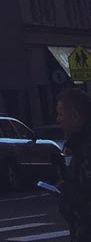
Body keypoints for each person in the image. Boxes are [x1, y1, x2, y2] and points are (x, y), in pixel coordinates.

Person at [57, 88, 91, 242]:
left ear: (76, 116)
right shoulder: (78, 145)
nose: (58, 119)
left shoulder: (86, 148)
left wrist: (66, 192)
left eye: (61, 113)